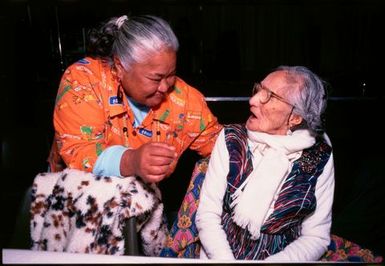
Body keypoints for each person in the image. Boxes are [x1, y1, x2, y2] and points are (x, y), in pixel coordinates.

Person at [48, 14, 222, 183]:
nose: (165, 87)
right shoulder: (84, 81)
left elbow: (220, 144)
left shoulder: (184, 99)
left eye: (171, 75)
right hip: (75, 197)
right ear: (120, 66)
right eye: (155, 78)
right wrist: (131, 161)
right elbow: (79, 150)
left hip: (140, 203)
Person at [195, 66, 335, 261]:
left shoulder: (318, 156)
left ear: (294, 118)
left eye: (269, 96)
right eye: (258, 89)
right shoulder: (231, 139)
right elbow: (207, 216)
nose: (252, 100)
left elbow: (315, 237)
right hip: (221, 254)